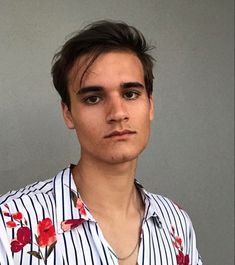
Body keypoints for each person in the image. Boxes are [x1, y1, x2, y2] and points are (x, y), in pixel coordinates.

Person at [0, 20, 202, 265]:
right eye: (93, 98)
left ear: (150, 104)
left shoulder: (176, 222)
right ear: (68, 113)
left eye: (130, 94)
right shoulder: (9, 222)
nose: (117, 113)